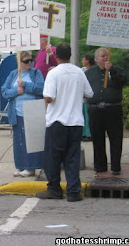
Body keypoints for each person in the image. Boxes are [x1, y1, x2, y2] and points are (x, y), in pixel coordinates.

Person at [37, 44, 93, 202]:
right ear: (70, 55)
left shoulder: (54, 73)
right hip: (75, 121)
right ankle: (74, 191)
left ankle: (54, 188)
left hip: (57, 120)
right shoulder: (79, 72)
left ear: (56, 56)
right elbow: (89, 93)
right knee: (72, 157)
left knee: (53, 157)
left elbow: (49, 97)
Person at [1, 51, 44, 177]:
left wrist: (26, 85)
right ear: (19, 62)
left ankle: (31, 167)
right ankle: (20, 165)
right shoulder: (13, 74)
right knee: (18, 140)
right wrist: (16, 91)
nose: (29, 63)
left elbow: (41, 89)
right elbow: (5, 91)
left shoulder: (36, 73)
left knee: (31, 141)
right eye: (26, 61)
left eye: (31, 60)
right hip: (17, 112)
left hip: (32, 111)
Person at [85, 48, 126, 176]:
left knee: (115, 138)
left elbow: (123, 81)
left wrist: (112, 70)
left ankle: (115, 166)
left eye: (107, 56)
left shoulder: (117, 70)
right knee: (97, 139)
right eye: (102, 56)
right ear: (96, 59)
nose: (105, 58)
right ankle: (100, 165)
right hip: (95, 109)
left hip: (113, 109)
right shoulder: (89, 73)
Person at [81, 54, 95, 142]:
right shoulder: (82, 70)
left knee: (88, 116)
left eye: (83, 59)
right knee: (83, 116)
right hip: (83, 97)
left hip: (90, 97)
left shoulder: (93, 70)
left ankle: (89, 134)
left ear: (88, 60)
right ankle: (83, 133)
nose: (82, 61)